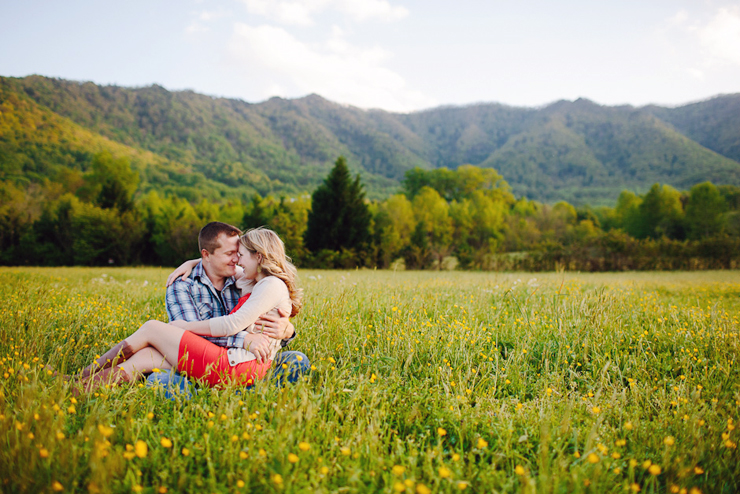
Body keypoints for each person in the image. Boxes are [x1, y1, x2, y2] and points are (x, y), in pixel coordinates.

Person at [75, 227, 304, 393]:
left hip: (238, 364)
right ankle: (79, 386)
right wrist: (194, 262)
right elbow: (198, 337)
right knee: (148, 357)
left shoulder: (264, 283)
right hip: (229, 357)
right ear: (207, 254)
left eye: (240, 255)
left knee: (152, 329)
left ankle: (236, 395)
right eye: (230, 255)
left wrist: (287, 330)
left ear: (259, 257)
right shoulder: (190, 284)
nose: (237, 261)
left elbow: (231, 324)